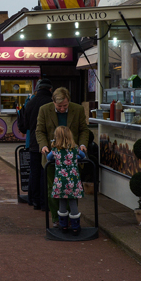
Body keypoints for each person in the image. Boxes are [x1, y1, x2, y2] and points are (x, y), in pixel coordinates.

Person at [36, 87, 89, 228]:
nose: (62, 108)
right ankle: (56, 219)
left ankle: (73, 219)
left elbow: (84, 129)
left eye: (65, 105)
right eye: (59, 106)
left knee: (73, 188)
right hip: (52, 157)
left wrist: (83, 145)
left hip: (72, 157)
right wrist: (43, 146)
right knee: (53, 189)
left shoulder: (77, 110)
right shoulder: (44, 110)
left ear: (69, 101)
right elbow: (39, 130)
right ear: (53, 102)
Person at [18, 79, 53, 211]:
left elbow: (25, 125)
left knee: (34, 172)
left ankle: (34, 200)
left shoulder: (30, 103)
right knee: (46, 172)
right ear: (50, 89)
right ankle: (45, 202)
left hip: (33, 142)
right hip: (48, 144)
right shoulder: (51, 103)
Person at [46, 126, 85, 235]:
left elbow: (49, 158)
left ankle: (63, 226)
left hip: (60, 180)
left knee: (61, 201)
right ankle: (75, 226)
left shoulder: (55, 150)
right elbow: (83, 155)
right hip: (73, 180)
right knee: (73, 202)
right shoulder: (74, 149)